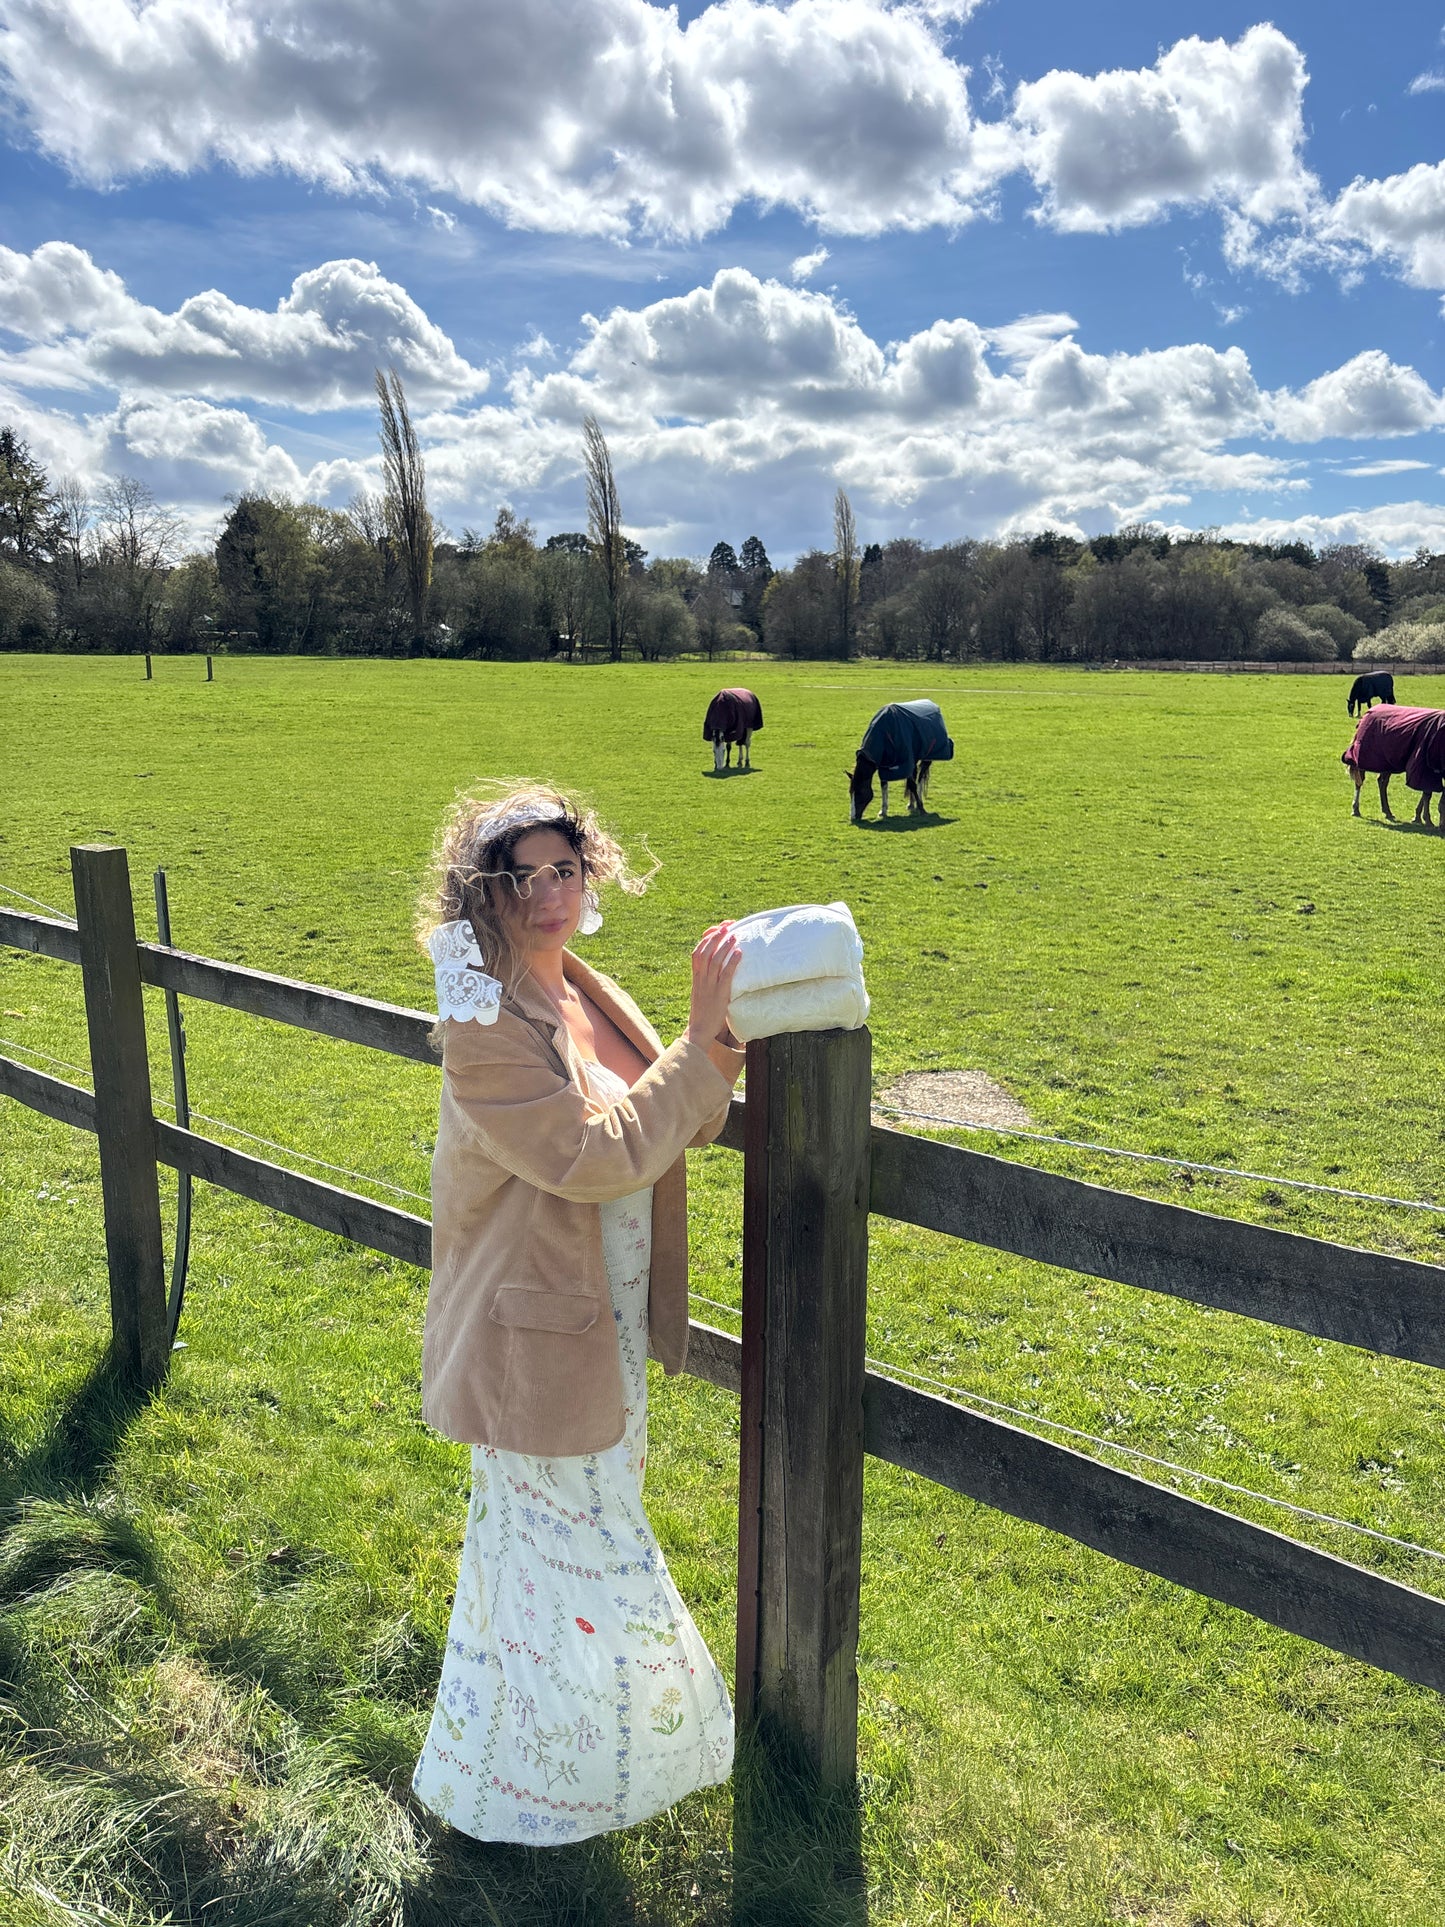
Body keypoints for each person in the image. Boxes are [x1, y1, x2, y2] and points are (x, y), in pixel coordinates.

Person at [411, 782, 744, 1844]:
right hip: (534, 1335)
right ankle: (598, 1768)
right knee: (582, 1543)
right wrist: (698, 1040)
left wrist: (724, 1036)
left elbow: (673, 1113)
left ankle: (526, 1771)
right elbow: (591, 1155)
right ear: (485, 895)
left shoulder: (582, 986)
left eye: (566, 868)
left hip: (600, 1324)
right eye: (523, 876)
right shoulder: (482, 1018)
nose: (550, 893)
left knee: (536, 1548)